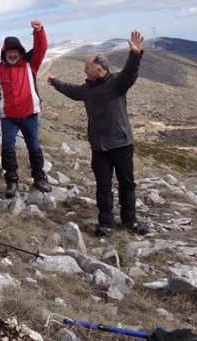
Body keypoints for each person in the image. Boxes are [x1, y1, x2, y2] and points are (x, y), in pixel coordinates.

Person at [47, 30, 148, 237]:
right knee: (103, 187)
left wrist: (135, 55)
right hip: (99, 147)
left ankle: (130, 221)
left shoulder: (116, 84)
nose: (84, 71)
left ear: (99, 70)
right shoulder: (87, 89)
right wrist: (55, 82)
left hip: (121, 144)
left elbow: (130, 73)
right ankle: (106, 223)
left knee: (126, 184)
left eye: (87, 68)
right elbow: (71, 90)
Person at [0, 19, 53, 198]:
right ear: (4, 53)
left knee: (33, 145)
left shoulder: (29, 63)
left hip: (30, 115)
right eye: (10, 52)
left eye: (16, 52)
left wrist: (38, 31)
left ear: (20, 52)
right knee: (7, 147)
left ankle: (39, 178)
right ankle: (11, 180)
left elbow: (41, 49)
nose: (13, 55)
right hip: (9, 117)